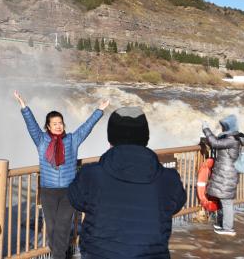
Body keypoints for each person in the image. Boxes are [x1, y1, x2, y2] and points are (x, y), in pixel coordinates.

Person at [68, 107, 187, 258]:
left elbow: (75, 199)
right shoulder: (168, 178)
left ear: (111, 138)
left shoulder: (91, 174)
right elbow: (176, 204)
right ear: (145, 138)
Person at [13, 91, 109, 259]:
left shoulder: (72, 139)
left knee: (63, 226)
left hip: (68, 191)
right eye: (54, 123)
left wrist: (99, 110)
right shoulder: (41, 140)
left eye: (60, 122)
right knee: (51, 227)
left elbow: (87, 127)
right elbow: (31, 124)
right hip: (48, 191)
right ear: (48, 127)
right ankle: (59, 254)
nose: (58, 125)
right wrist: (23, 106)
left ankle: (58, 256)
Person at [202, 114, 244, 236]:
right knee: (224, 200)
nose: (223, 129)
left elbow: (214, 143)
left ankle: (228, 228)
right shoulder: (235, 138)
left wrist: (206, 129)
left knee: (227, 202)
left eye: (224, 127)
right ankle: (223, 224)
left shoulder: (231, 140)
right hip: (227, 173)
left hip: (226, 174)